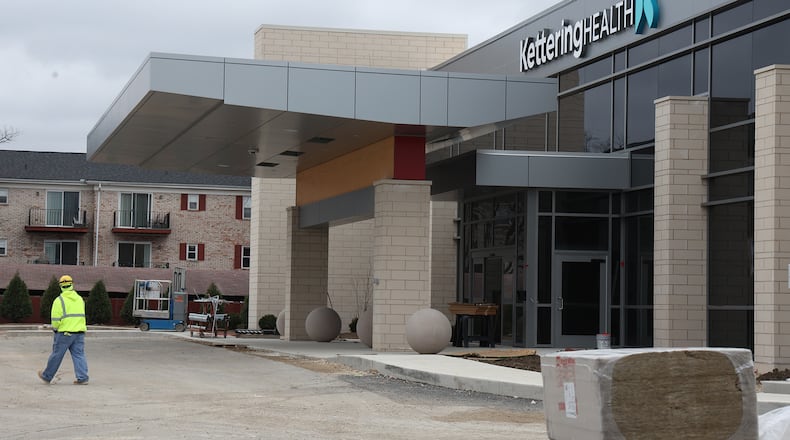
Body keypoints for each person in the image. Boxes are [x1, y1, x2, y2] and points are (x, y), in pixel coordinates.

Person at [38, 275, 89, 385]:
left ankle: (46, 376)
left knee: (57, 355)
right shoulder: (80, 299)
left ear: (61, 286)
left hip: (65, 333)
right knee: (79, 355)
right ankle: (83, 377)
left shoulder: (59, 300)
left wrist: (55, 329)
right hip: (79, 332)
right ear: (72, 284)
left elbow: (56, 319)